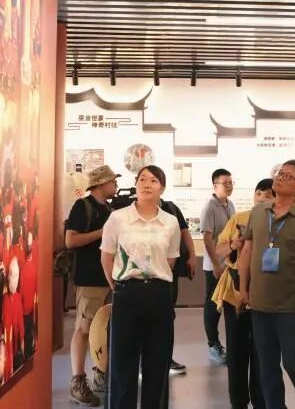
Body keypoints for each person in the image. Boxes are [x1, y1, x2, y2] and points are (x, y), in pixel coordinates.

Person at [239, 160, 295, 409]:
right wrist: (243, 288)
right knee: (267, 365)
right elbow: (247, 251)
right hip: (259, 301)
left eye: (288, 176)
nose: (280, 177)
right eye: (280, 173)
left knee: (294, 361)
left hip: (290, 304)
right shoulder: (258, 212)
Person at [100, 165, 181, 409]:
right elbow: (107, 257)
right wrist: (118, 286)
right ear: (136, 184)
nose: (147, 184)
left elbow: (170, 260)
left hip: (159, 294)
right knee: (122, 364)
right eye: (142, 179)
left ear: (162, 188)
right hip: (127, 294)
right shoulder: (118, 218)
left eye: (154, 180)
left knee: (158, 362)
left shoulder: (170, 222)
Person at [213, 178, 275, 409]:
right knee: (237, 349)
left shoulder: (279, 222)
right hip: (235, 292)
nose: (262, 198)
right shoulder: (238, 219)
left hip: (265, 293)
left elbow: (276, 262)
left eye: (268, 195)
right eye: (259, 193)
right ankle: (238, 401)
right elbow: (219, 250)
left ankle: (261, 400)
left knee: (263, 350)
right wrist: (233, 246)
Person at [65, 165, 119, 406]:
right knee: (84, 328)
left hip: (109, 278)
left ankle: (100, 373)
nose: (115, 185)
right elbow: (70, 240)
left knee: (103, 328)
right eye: (112, 181)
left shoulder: (109, 209)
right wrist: (102, 232)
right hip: (89, 279)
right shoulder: (82, 207)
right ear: (101, 184)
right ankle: (77, 381)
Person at [200, 168, 236, 364]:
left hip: (229, 264)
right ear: (215, 185)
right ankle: (213, 344)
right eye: (225, 183)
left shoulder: (230, 205)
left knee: (229, 304)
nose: (229, 186)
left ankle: (231, 344)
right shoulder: (210, 207)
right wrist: (215, 264)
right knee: (213, 305)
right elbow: (207, 238)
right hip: (215, 265)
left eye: (231, 182)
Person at [161, 198, 196, 375]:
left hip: (169, 273)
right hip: (144, 275)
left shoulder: (170, 207)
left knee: (168, 314)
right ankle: (145, 360)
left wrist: (192, 255)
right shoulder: (131, 210)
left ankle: (167, 358)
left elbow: (184, 232)